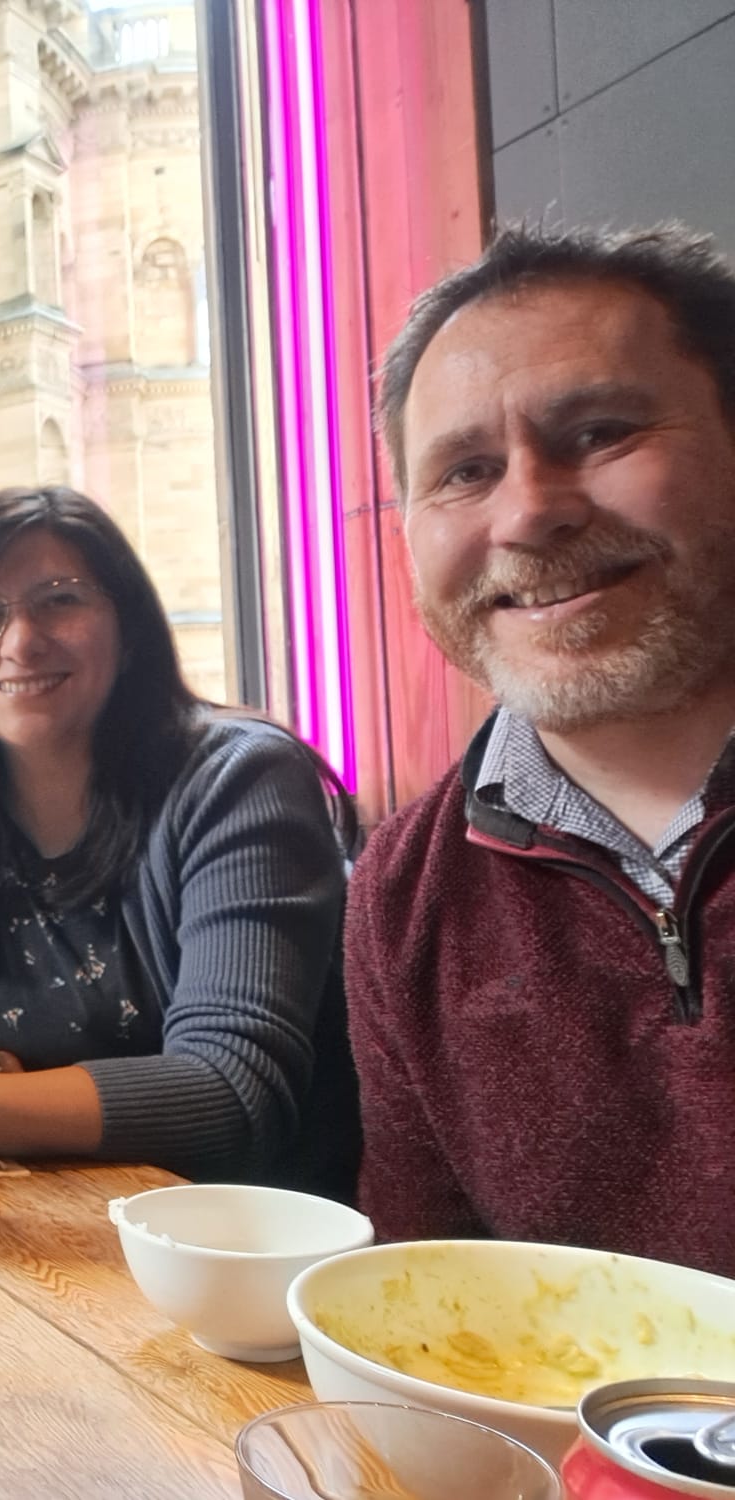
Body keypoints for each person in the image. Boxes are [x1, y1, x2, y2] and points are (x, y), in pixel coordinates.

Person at [0, 487, 360, 1199]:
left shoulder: (238, 781)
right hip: (56, 1215)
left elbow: (228, 1092)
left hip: (247, 1235)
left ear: (128, 627)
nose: (20, 642)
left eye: (60, 600)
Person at [348, 224, 735, 1276]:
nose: (527, 512)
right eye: (465, 471)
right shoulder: (407, 889)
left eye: (600, 432)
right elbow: (426, 1300)